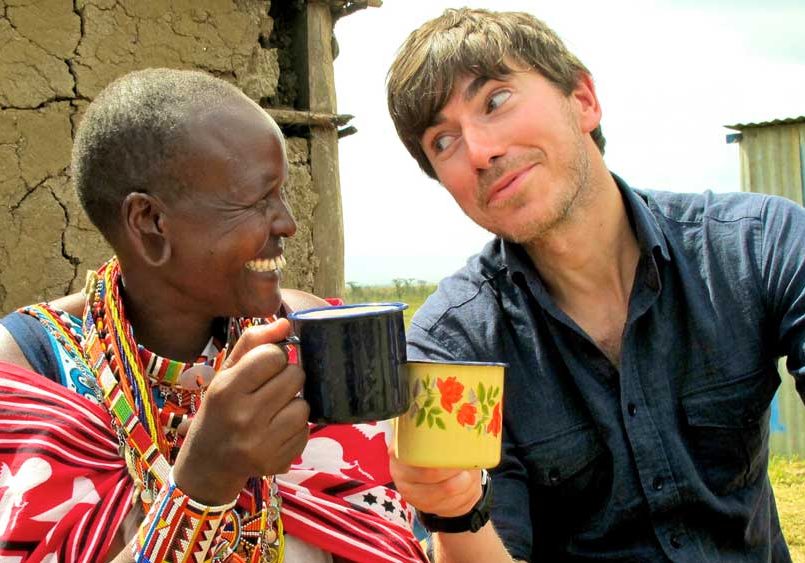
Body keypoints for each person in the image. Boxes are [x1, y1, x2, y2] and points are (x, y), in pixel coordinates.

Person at [384, 7, 805, 563]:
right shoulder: (453, 346)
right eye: (443, 141)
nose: (480, 151)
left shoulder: (759, 244)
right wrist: (457, 511)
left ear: (583, 100)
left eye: (495, 100)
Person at [0, 68, 427, 563]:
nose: (287, 223)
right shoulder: (26, 377)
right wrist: (203, 481)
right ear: (151, 224)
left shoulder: (312, 332)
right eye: (257, 200)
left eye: (282, 195)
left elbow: (388, 525)